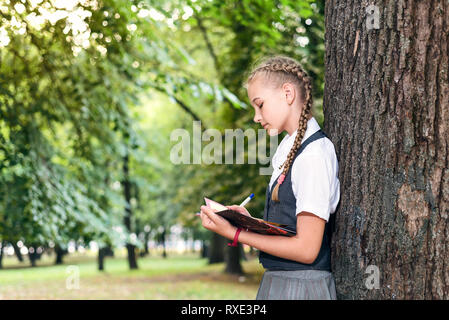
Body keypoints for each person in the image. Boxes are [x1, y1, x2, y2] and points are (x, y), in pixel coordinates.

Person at [199, 55, 340, 300]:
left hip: (302, 288)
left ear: (288, 94)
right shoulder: (290, 148)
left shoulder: (314, 154)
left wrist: (236, 235)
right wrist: (251, 223)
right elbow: (292, 229)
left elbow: (307, 249)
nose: (256, 116)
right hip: (281, 283)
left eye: (260, 104)